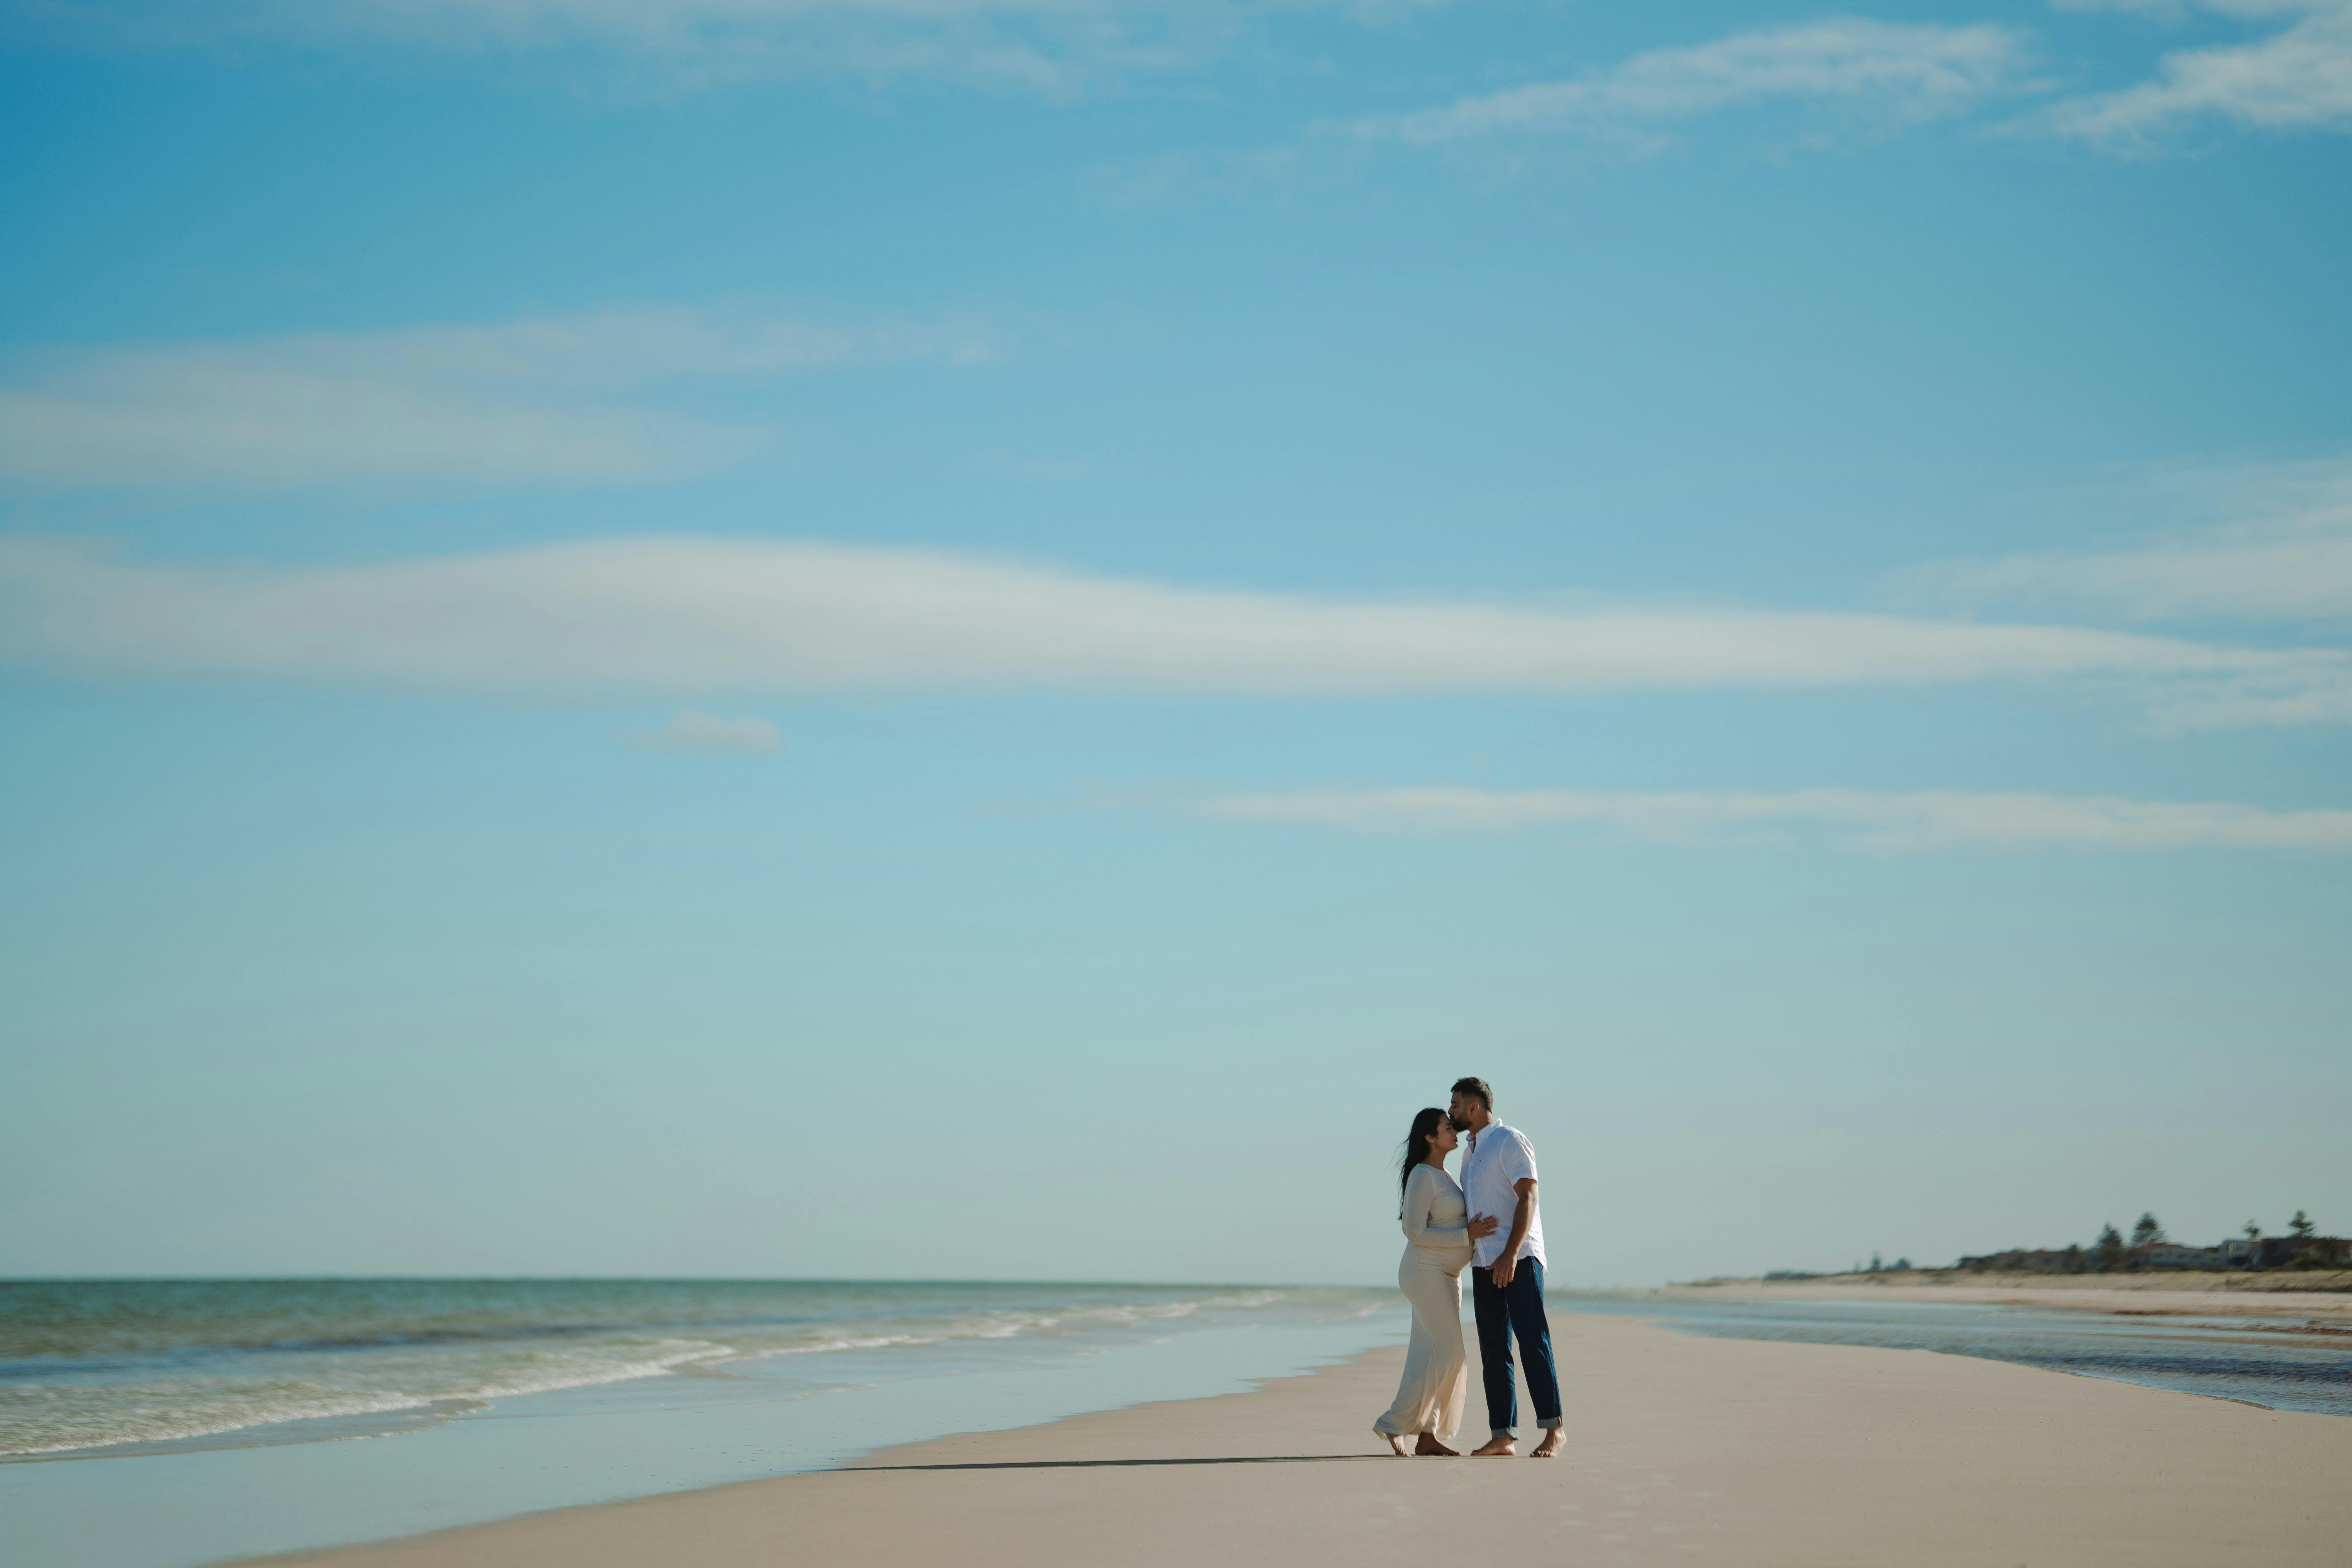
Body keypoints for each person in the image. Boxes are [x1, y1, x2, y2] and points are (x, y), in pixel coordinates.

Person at [1373, 1108, 1498, 1456]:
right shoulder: (1422, 1176)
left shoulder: (1444, 1175)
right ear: (1429, 1137)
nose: (1454, 1131)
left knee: (1427, 1355)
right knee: (1451, 1354)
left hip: (1448, 1276)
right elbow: (1413, 1232)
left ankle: (1427, 1437)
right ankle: (1393, 1422)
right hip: (1424, 1272)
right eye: (1447, 1127)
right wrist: (1466, 1235)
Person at [1451, 1076, 1563, 1458]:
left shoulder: (1510, 1140)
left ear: (1474, 1107)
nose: (1451, 1111)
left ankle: (1554, 1430)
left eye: (1455, 1104)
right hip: (1484, 1263)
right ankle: (1504, 1435)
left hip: (1520, 1258)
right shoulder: (1469, 1151)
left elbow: (1529, 1196)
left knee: (1533, 1341)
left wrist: (1511, 1254)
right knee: (1494, 1350)